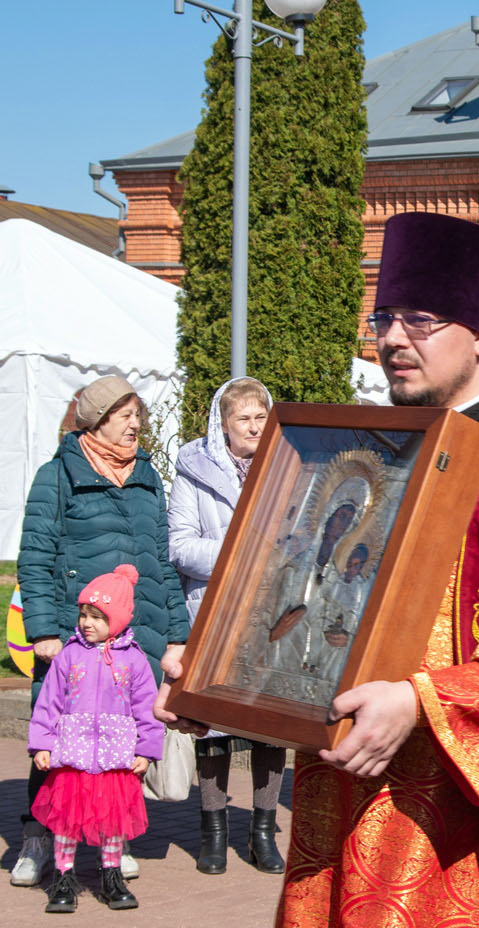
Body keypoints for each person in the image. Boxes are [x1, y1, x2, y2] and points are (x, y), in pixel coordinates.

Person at [237, 211, 479, 927]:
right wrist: (224, 662)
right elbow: (306, 592)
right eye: (384, 318)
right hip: (338, 787)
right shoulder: (365, 452)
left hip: (455, 824)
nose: (392, 339)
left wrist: (420, 703)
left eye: (419, 319)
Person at [13, 375, 189, 888]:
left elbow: (161, 561)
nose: (135, 424)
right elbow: (35, 557)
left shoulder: (148, 477)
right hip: (76, 635)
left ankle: (114, 839)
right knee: (55, 742)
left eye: (138, 415)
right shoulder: (57, 475)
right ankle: (39, 839)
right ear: (97, 419)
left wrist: (176, 634)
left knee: (122, 742)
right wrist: (43, 630)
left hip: (136, 637)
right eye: (124, 415)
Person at [168, 376, 290, 875]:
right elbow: (180, 546)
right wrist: (242, 549)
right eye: (243, 418)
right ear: (223, 424)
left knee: (270, 725)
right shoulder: (193, 469)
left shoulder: (286, 464)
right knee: (212, 726)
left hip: (270, 611)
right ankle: (213, 833)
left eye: (261, 416)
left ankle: (262, 831)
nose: (254, 426)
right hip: (215, 609)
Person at [28, 564, 163, 912]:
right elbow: (49, 702)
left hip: (115, 759)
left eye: (97, 617)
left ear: (117, 619)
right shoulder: (69, 654)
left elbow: (147, 709)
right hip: (72, 757)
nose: (87, 623)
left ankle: (111, 877)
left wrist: (146, 750)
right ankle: (63, 878)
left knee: (112, 822)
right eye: (84, 614)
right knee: (66, 821)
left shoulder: (134, 660)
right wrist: (42, 743)